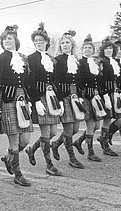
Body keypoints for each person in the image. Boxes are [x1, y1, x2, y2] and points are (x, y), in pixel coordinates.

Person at [0, 25, 32, 186]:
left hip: (22, 99)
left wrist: (29, 100)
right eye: (4, 39)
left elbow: (28, 81)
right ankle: (17, 174)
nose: (7, 41)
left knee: (26, 139)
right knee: (14, 140)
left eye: (9, 38)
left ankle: (8, 158)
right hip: (7, 100)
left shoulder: (23, 58)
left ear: (16, 40)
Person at [25, 23, 63, 176]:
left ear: (47, 42)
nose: (39, 42)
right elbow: (30, 81)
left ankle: (32, 149)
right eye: (36, 40)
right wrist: (36, 100)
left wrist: (59, 99)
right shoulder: (31, 59)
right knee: (46, 132)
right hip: (40, 97)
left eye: (41, 40)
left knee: (53, 131)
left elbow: (56, 80)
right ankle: (49, 164)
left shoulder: (51, 59)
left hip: (51, 97)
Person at [50, 30, 85, 169]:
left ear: (72, 44)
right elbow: (56, 81)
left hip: (75, 94)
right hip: (64, 95)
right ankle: (72, 158)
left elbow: (80, 80)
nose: (65, 45)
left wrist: (80, 96)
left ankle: (56, 144)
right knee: (69, 129)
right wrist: (59, 99)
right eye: (62, 43)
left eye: (67, 42)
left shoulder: (76, 60)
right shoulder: (58, 60)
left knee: (76, 128)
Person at [73, 34, 103, 162]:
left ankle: (79, 141)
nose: (87, 50)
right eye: (85, 48)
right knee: (91, 124)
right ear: (82, 50)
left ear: (93, 50)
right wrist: (80, 96)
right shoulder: (80, 63)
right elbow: (78, 81)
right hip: (85, 96)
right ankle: (90, 152)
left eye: (90, 48)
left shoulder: (95, 63)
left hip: (95, 95)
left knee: (97, 125)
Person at [96, 37, 121, 156]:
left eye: (110, 48)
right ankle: (105, 145)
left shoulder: (115, 61)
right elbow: (101, 80)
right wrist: (105, 96)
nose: (109, 50)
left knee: (120, 119)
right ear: (103, 51)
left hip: (115, 92)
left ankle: (103, 138)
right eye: (106, 49)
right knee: (107, 120)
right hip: (107, 93)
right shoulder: (103, 62)